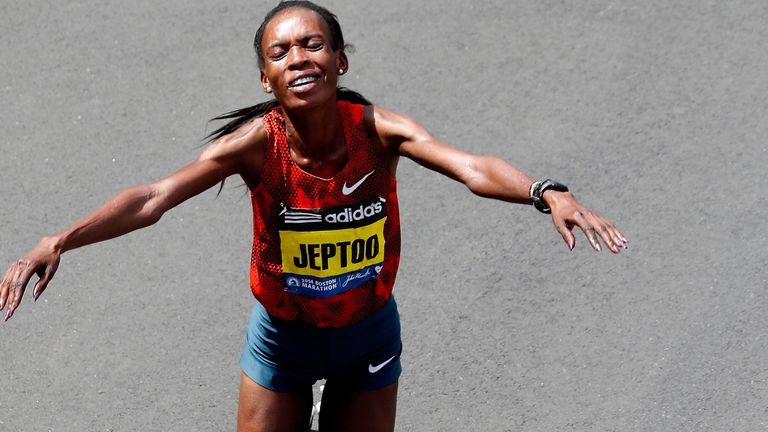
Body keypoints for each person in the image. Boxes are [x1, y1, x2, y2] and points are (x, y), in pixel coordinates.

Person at [0, 1, 627, 431]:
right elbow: (153, 198)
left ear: (340, 61)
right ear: (267, 77)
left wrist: (545, 190)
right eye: (281, 52)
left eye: (313, 43)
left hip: (369, 338)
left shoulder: (381, 133)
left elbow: (471, 168)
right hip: (282, 343)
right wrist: (61, 238)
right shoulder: (252, 145)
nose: (298, 56)